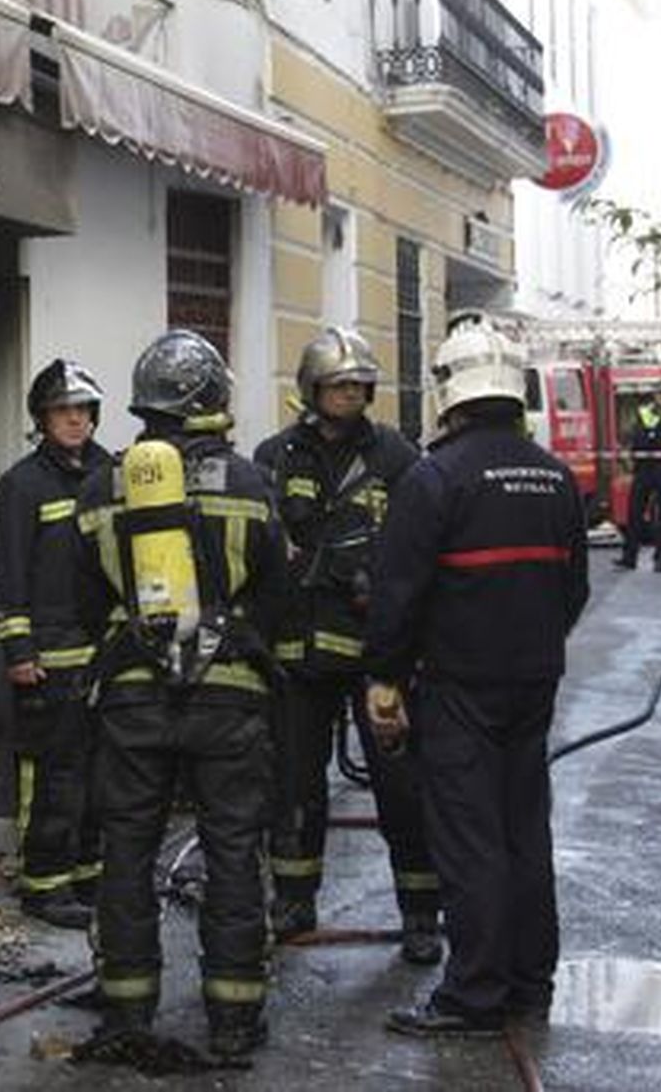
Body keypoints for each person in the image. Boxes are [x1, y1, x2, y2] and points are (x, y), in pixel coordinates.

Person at [364, 314, 588, 1037]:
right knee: (525, 829)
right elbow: (574, 588)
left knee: (470, 837)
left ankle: (473, 993)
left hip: (459, 685)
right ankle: (529, 980)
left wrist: (385, 681)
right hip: (534, 681)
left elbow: (397, 595)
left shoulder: (436, 477)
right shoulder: (552, 476)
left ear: (449, 394)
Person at [75, 330, 288, 1058]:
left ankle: (129, 1011)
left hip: (132, 697)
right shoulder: (252, 482)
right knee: (231, 848)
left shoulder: (103, 483)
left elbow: (83, 593)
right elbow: (275, 590)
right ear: (212, 400)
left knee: (127, 847)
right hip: (228, 698)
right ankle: (233, 1019)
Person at [254, 328, 440, 965]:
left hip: (377, 655)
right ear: (312, 389)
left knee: (401, 784)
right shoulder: (274, 457)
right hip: (298, 653)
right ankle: (295, 896)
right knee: (295, 784)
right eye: (338, 384)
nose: (349, 393)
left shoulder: (398, 457)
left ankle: (420, 910)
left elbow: (421, 551)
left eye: (358, 384)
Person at [0, 358, 112, 928]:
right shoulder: (21, 485)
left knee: (99, 772)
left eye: (84, 410)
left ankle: (88, 873)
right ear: (42, 417)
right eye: (64, 410)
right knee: (52, 774)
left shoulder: (110, 473)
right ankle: (44, 883)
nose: (76, 420)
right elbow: (8, 574)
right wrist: (19, 651)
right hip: (49, 661)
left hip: (105, 653)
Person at [614, 379, 661, 573]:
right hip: (644, 469)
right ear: (655, 396)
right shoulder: (643, 413)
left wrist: (653, 436)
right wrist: (660, 436)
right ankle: (629, 557)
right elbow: (636, 440)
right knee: (634, 514)